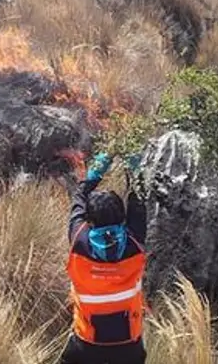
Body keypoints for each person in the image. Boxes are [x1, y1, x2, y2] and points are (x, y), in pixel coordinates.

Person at [61, 151, 148, 364]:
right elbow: (139, 199)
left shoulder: (79, 241)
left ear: (89, 221)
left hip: (86, 343)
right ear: (123, 219)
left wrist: (97, 171)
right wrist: (133, 168)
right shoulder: (133, 242)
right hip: (129, 344)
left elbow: (78, 197)